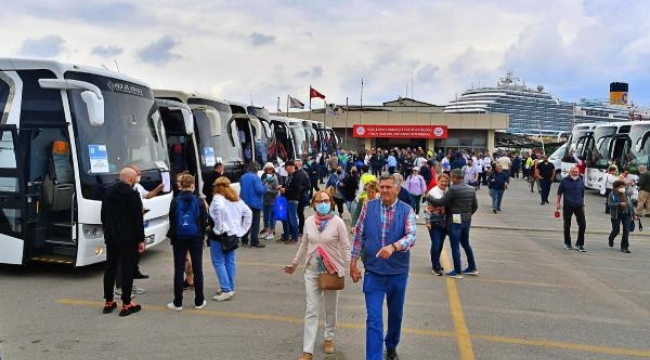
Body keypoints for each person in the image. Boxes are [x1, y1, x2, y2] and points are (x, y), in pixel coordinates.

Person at [350, 174, 417, 360]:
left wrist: (394, 246)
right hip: (373, 272)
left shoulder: (407, 210)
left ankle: (392, 345)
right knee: (373, 319)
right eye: (382, 187)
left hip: (397, 273)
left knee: (396, 315)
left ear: (397, 189)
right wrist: (353, 262)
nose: (385, 190)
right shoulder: (368, 207)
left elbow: (412, 236)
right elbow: (358, 235)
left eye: (389, 187)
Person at [284, 190, 351, 360]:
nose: (323, 203)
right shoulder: (308, 222)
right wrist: (294, 263)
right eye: (319, 200)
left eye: (326, 200)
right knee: (311, 309)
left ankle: (329, 338)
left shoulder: (337, 222)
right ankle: (308, 350)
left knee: (330, 308)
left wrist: (352, 266)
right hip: (311, 271)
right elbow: (304, 245)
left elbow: (345, 247)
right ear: (313, 203)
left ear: (331, 203)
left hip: (331, 270)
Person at [101, 167, 145, 317]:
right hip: (128, 238)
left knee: (110, 268)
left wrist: (107, 231)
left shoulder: (108, 192)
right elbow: (137, 220)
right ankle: (126, 304)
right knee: (127, 269)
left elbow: (103, 215)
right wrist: (141, 239)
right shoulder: (132, 195)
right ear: (131, 179)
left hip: (111, 236)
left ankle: (108, 301)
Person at [166, 174, 208, 311]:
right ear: (193, 185)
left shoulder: (175, 201)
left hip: (179, 238)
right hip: (196, 237)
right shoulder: (200, 201)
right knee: (198, 269)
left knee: (178, 270)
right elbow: (204, 221)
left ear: (181, 186)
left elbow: (172, 220)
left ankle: (178, 303)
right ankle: (199, 301)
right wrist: (201, 235)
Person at [427, 169, 478, 279]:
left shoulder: (453, 189)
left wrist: (428, 197)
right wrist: (467, 215)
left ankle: (458, 271)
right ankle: (472, 267)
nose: (450, 180)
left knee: (455, 246)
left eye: (451, 177)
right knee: (466, 244)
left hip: (455, 221)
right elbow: (475, 206)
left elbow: (440, 202)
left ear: (454, 177)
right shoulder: (471, 189)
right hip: (466, 221)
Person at [209, 176, 252, 301]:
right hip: (233, 234)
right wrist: (242, 230)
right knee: (229, 261)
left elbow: (220, 211)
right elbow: (248, 213)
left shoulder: (218, 198)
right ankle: (230, 286)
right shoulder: (236, 199)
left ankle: (226, 288)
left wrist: (218, 227)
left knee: (218, 261)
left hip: (220, 234)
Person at [556, 166, 587, 252]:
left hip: (579, 205)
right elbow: (559, 193)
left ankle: (579, 244)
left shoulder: (581, 181)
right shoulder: (564, 181)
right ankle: (567, 243)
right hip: (568, 205)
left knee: (583, 224)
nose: (575, 173)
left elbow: (582, 195)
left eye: (576, 171)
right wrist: (558, 204)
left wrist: (583, 205)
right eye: (573, 171)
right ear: (570, 172)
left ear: (578, 172)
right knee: (567, 225)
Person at [425, 173, 450, 276]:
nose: (444, 183)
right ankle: (435, 266)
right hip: (434, 222)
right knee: (436, 244)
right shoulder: (433, 192)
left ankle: (437, 263)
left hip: (445, 222)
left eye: (445, 181)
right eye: (442, 181)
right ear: (438, 181)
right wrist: (427, 222)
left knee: (440, 245)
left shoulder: (448, 191)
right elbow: (427, 208)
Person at [239, 162, 268, 248]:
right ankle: (254, 241)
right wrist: (265, 186)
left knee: (246, 222)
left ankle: (244, 240)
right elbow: (259, 190)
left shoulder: (243, 177)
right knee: (255, 223)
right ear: (256, 169)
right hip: (255, 203)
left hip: (244, 203)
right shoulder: (256, 178)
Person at [279, 161, 303, 244]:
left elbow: (296, 189)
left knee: (293, 219)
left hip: (293, 199)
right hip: (287, 199)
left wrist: (285, 190)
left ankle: (294, 238)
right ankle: (288, 236)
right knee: (288, 219)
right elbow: (288, 186)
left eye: (286, 168)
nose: (285, 170)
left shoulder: (297, 175)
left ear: (290, 167)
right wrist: (282, 187)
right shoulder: (289, 176)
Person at [607, 180, 635, 253]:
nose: (623, 188)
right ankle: (611, 238)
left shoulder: (626, 193)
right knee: (616, 229)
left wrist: (633, 214)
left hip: (626, 214)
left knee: (626, 230)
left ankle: (624, 247)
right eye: (621, 187)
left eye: (623, 187)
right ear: (616, 188)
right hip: (616, 214)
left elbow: (630, 204)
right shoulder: (612, 194)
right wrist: (619, 204)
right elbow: (610, 205)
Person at [261, 162, 280, 240]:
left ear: (273, 170)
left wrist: (268, 190)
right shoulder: (264, 178)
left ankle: (271, 233)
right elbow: (261, 186)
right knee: (265, 217)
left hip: (272, 201)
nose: (269, 171)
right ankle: (266, 232)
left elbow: (276, 192)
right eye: (267, 169)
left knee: (271, 217)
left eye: (270, 169)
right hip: (264, 201)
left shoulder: (274, 179)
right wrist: (265, 181)